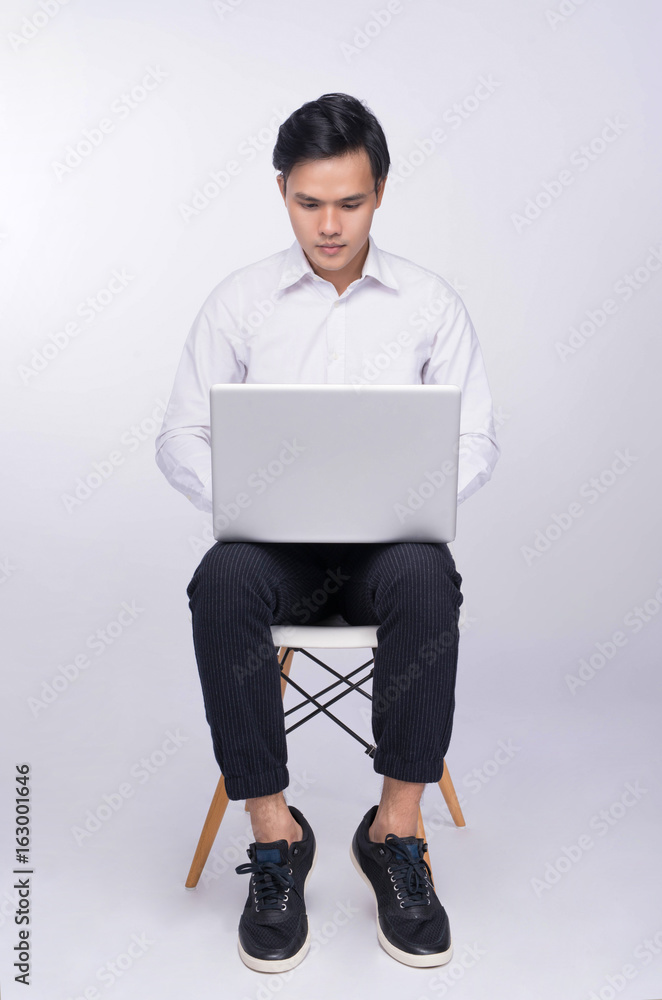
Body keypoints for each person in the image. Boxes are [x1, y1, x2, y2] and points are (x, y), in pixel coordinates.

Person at [155, 92, 500, 974]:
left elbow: (475, 439)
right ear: (283, 192)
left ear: (378, 192)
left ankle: (395, 832)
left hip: (389, 553)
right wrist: (239, 497)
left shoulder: (429, 303)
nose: (329, 224)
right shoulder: (239, 302)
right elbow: (179, 435)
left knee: (427, 574)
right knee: (222, 577)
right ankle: (276, 840)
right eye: (309, 203)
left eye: (348, 202)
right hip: (273, 550)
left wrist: (414, 501)